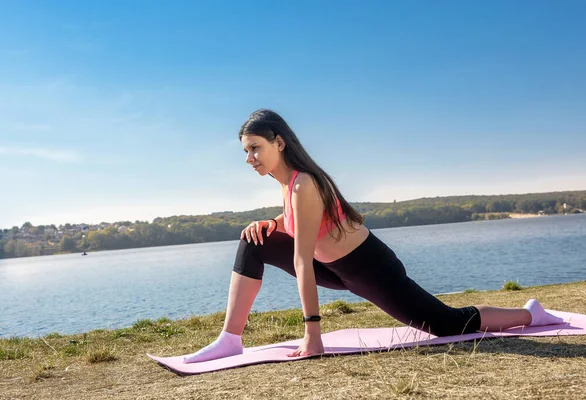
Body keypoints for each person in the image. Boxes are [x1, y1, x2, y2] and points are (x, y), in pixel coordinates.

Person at [183, 109, 563, 363]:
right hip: (335, 269)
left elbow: (302, 261)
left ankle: (530, 314)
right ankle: (230, 339)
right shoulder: (288, 187)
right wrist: (272, 224)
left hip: (370, 268)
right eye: (246, 151)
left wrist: (313, 337)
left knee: (448, 324)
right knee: (252, 241)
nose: (249, 158)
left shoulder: (304, 184)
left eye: (255, 148)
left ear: (279, 142)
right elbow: (300, 222)